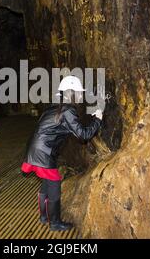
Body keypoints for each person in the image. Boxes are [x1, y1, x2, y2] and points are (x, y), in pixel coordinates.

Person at [21, 75, 103, 231]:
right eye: (79, 92)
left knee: (46, 184)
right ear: (71, 92)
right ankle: (55, 223)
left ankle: (44, 217)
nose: (81, 95)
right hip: (43, 153)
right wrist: (98, 119)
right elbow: (84, 135)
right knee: (54, 186)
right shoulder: (67, 110)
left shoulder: (55, 107)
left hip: (35, 150)